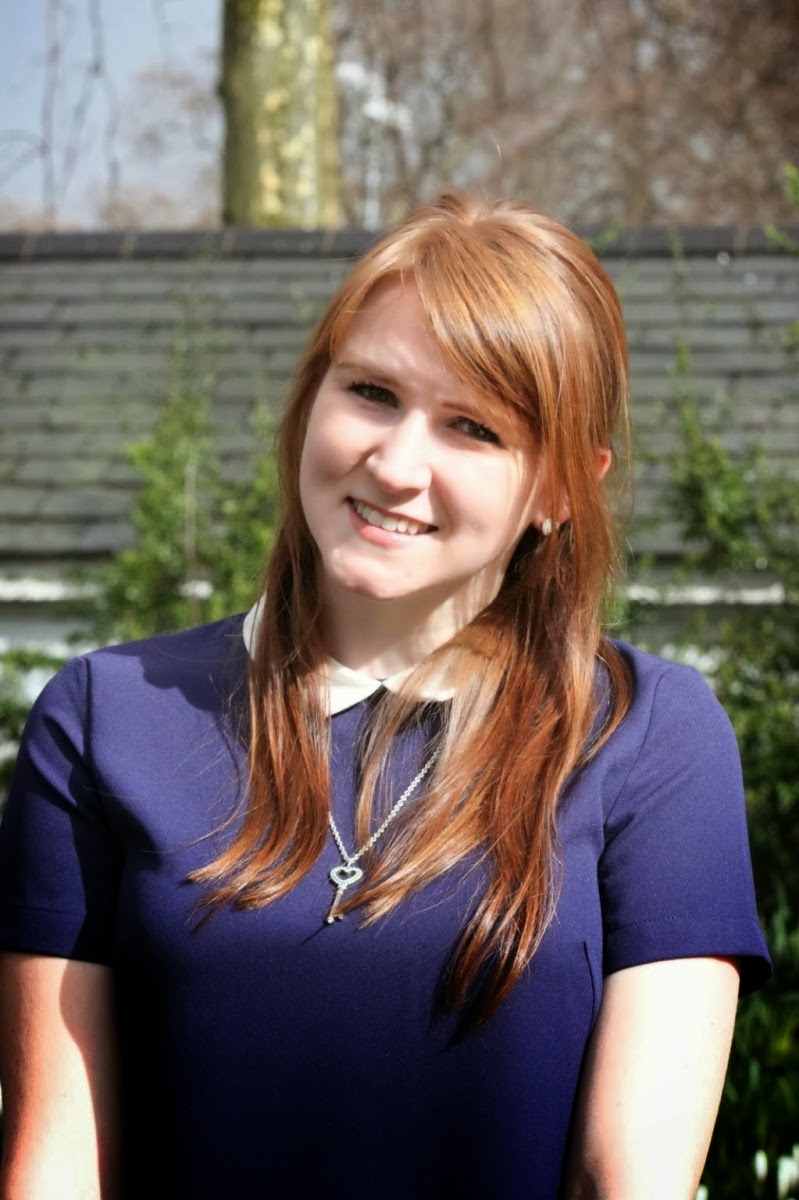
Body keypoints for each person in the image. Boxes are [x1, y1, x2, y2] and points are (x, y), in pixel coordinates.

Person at [0, 192, 770, 1200]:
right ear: (310, 396)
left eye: (472, 428)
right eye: (371, 392)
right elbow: (57, 1166)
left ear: (558, 490)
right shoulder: (107, 718)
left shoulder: (648, 736)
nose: (397, 465)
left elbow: (628, 1178)